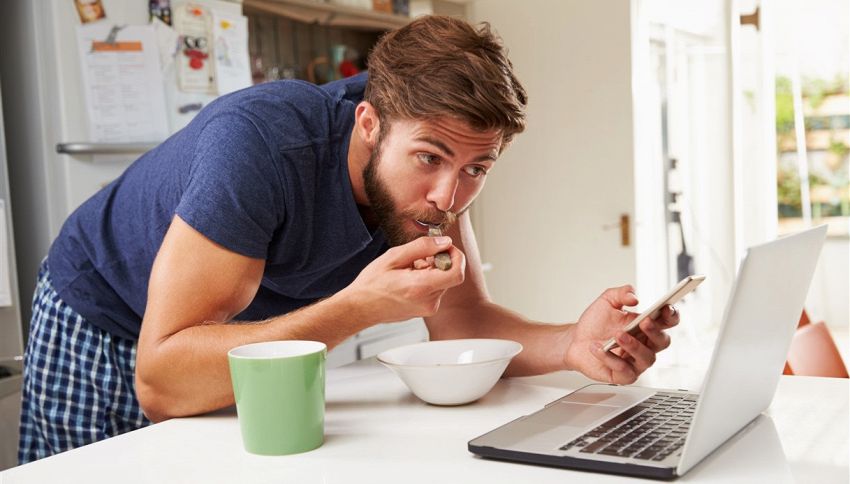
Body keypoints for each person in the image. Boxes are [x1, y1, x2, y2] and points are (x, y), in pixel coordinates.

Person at [17, 15, 679, 464]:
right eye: (430, 158)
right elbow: (163, 380)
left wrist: (573, 344)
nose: (449, 197)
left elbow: (464, 322)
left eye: (477, 168)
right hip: (108, 319)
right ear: (368, 123)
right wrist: (360, 306)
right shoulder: (261, 147)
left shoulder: (433, 175)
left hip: (224, 338)